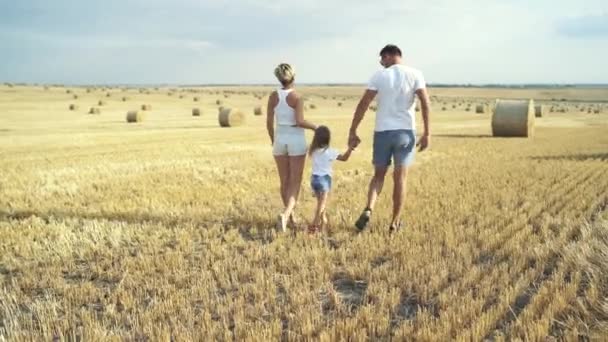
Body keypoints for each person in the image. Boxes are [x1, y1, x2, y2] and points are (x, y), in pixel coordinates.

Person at [347, 44, 431, 233]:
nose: (381, 63)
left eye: (381, 59)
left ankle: (369, 208)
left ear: (389, 56)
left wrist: (353, 129)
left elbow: (363, 104)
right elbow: (425, 103)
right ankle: (394, 222)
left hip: (382, 132)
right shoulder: (416, 74)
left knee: (378, 176)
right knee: (400, 179)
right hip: (405, 132)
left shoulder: (379, 76)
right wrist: (427, 133)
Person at [266, 63, 317, 232]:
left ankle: (291, 219)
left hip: (280, 139)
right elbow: (300, 121)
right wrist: (317, 127)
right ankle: (286, 214)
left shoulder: (273, 96)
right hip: (296, 140)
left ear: (279, 79)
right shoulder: (297, 97)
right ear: (293, 77)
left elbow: (268, 122)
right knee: (295, 181)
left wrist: (274, 140)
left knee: (284, 181)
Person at [307, 126, 354, 233]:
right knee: (321, 204)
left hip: (314, 180)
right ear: (328, 138)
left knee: (320, 202)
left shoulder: (313, 150)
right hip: (324, 180)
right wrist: (350, 149)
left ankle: (324, 222)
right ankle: (313, 226)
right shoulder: (330, 151)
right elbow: (344, 158)